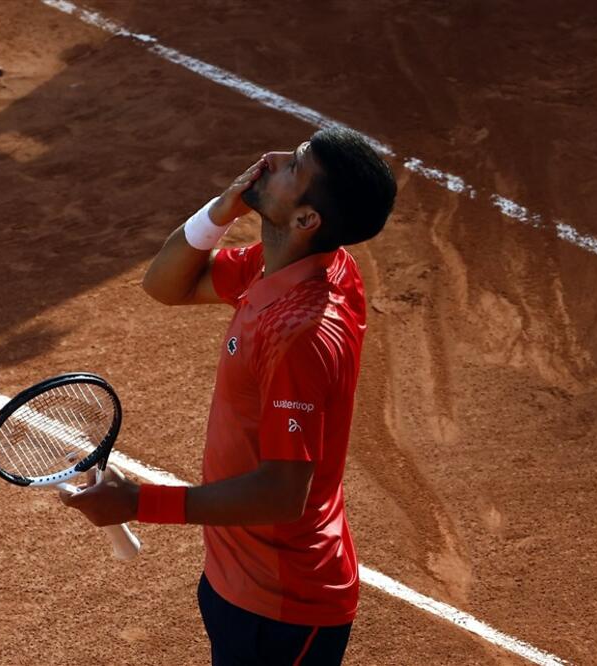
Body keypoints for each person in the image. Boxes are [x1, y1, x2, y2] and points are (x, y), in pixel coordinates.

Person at [60, 126, 397, 665]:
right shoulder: (292, 265)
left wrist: (140, 502)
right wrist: (223, 208)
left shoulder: (300, 334)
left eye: (294, 165)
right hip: (237, 578)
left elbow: (282, 494)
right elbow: (164, 285)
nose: (273, 157)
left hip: (283, 604)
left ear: (306, 220)